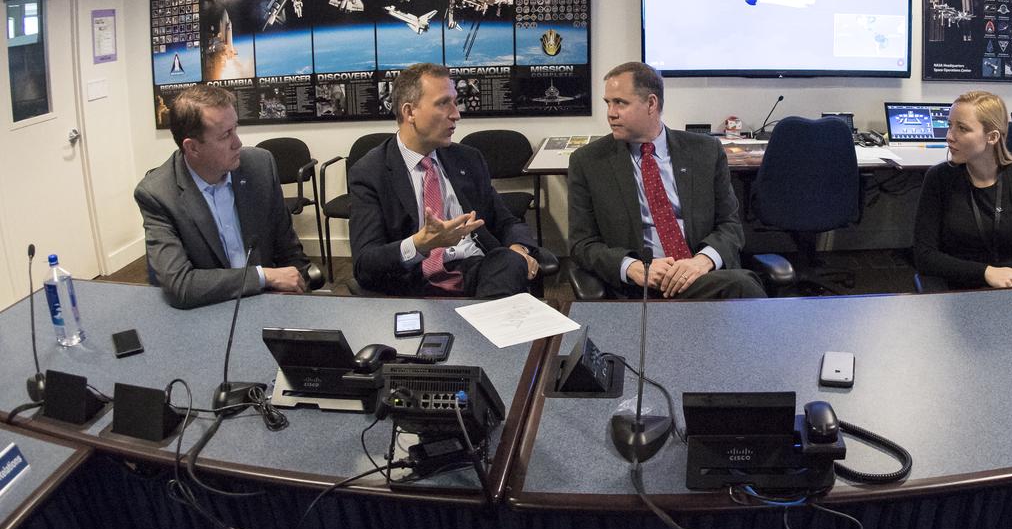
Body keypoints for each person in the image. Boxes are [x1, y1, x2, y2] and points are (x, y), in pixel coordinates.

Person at [569, 62, 766, 299]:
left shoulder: (705, 151)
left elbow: (730, 226)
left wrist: (702, 261)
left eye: (620, 102)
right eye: (608, 103)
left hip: (701, 277)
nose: (611, 113)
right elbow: (582, 244)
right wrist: (631, 267)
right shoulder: (588, 161)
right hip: (640, 285)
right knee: (743, 286)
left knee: (741, 285)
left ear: (651, 103)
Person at [348, 63, 540, 297]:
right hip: (412, 278)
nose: (456, 114)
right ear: (410, 112)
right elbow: (365, 264)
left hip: (475, 269)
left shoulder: (468, 159)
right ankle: (486, 325)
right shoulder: (370, 172)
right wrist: (421, 243)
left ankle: (485, 325)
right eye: (442, 103)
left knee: (508, 261)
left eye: (455, 101)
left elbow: (507, 221)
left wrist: (518, 248)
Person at [134, 84, 312, 309]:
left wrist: (297, 292)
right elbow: (181, 285)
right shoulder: (158, 194)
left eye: (235, 128)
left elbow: (290, 252)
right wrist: (262, 276)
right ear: (193, 148)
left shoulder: (260, 167)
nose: (237, 142)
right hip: (208, 309)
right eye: (226, 135)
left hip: (270, 302)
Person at [913, 91, 1012, 290]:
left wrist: (1005, 280)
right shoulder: (939, 178)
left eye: (962, 128)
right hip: (954, 291)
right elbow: (924, 256)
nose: (949, 136)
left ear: (992, 136)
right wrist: (986, 273)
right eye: (949, 125)